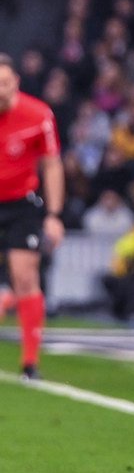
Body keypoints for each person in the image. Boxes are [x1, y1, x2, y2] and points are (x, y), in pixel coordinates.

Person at [0, 53, 64, 380]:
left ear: (16, 83)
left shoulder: (38, 115)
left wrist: (54, 214)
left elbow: (52, 165)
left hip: (21, 204)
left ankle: (29, 362)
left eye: (4, 83)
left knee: (26, 276)